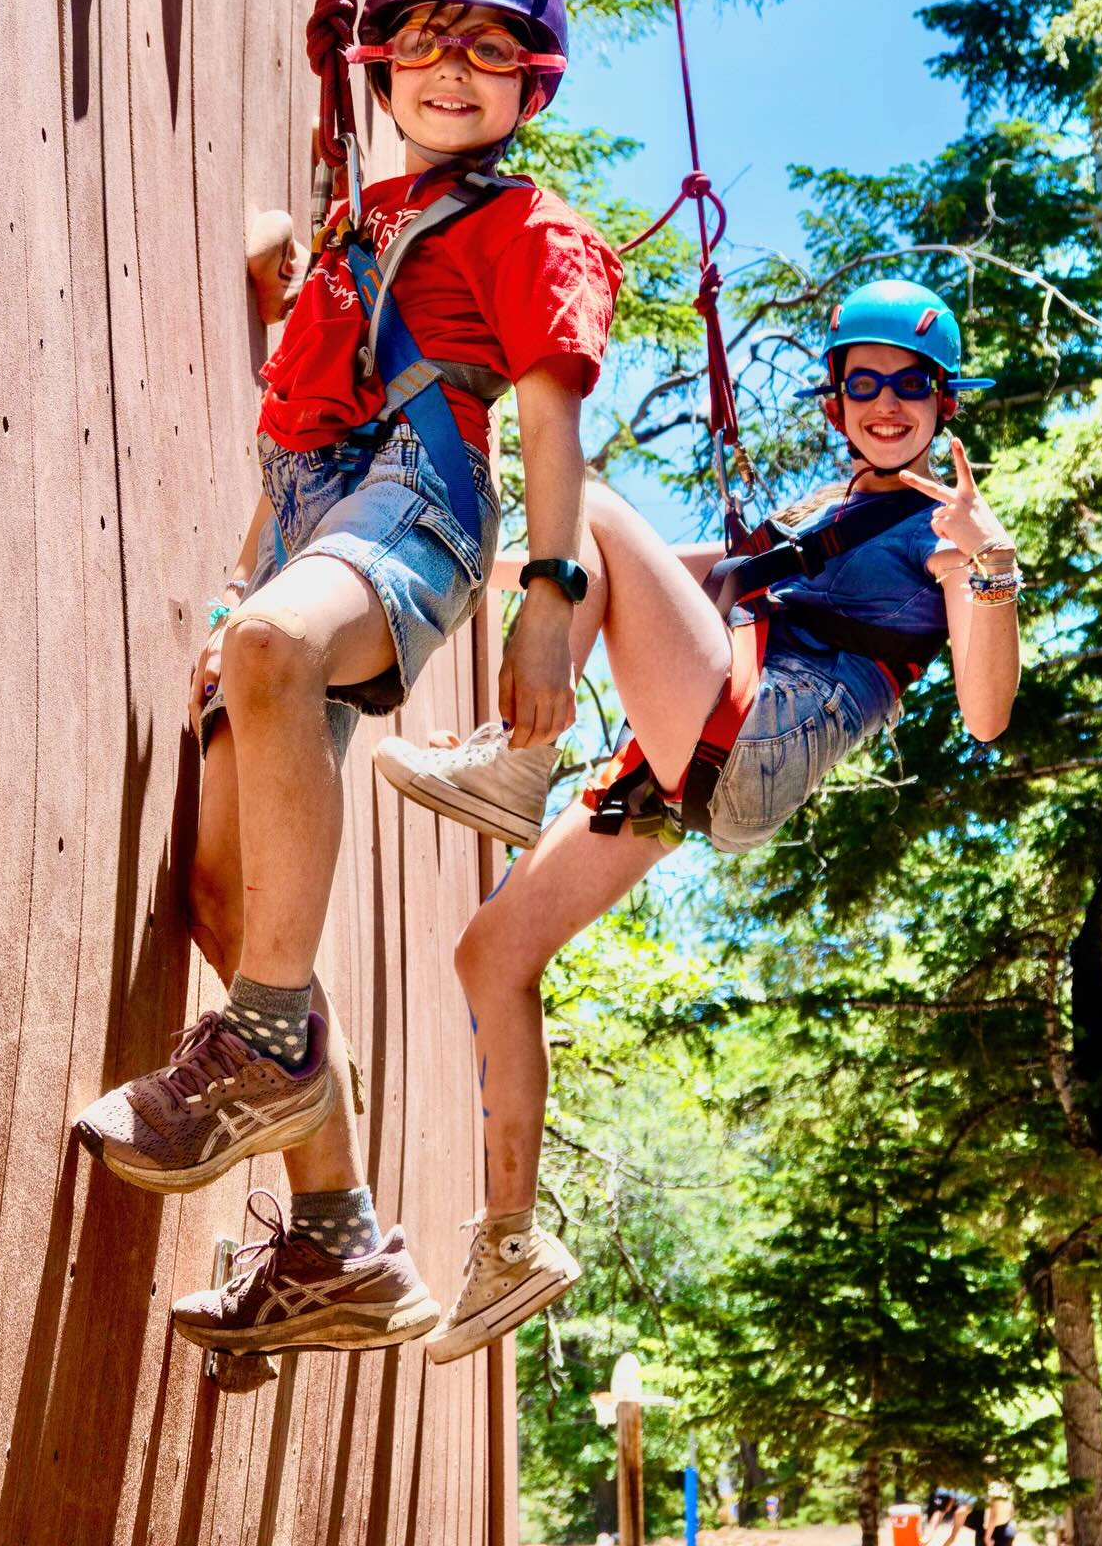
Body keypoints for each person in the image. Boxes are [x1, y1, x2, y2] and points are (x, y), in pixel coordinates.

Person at [71, 0, 624, 1358]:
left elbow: (549, 421)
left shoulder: (530, 232)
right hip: (305, 527)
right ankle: (340, 1242)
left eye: (487, 48)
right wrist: (240, 594)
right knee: (223, 893)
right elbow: (292, 435)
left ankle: (260, 1045)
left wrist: (551, 600)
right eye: (424, 41)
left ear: (531, 82)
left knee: (275, 659)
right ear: (379, 65)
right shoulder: (355, 228)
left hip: (420, 498)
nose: (452, 69)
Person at [379, 280, 1021, 1362]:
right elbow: (696, 578)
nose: (888, 402)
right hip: (702, 762)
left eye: (913, 384)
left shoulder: (945, 534)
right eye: (864, 381)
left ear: (944, 403)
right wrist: (493, 570)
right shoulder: (826, 510)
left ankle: (517, 765)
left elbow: (987, 713)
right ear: (835, 402)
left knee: (583, 498)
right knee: (492, 954)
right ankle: (510, 1244)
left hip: (757, 734)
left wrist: (992, 566)